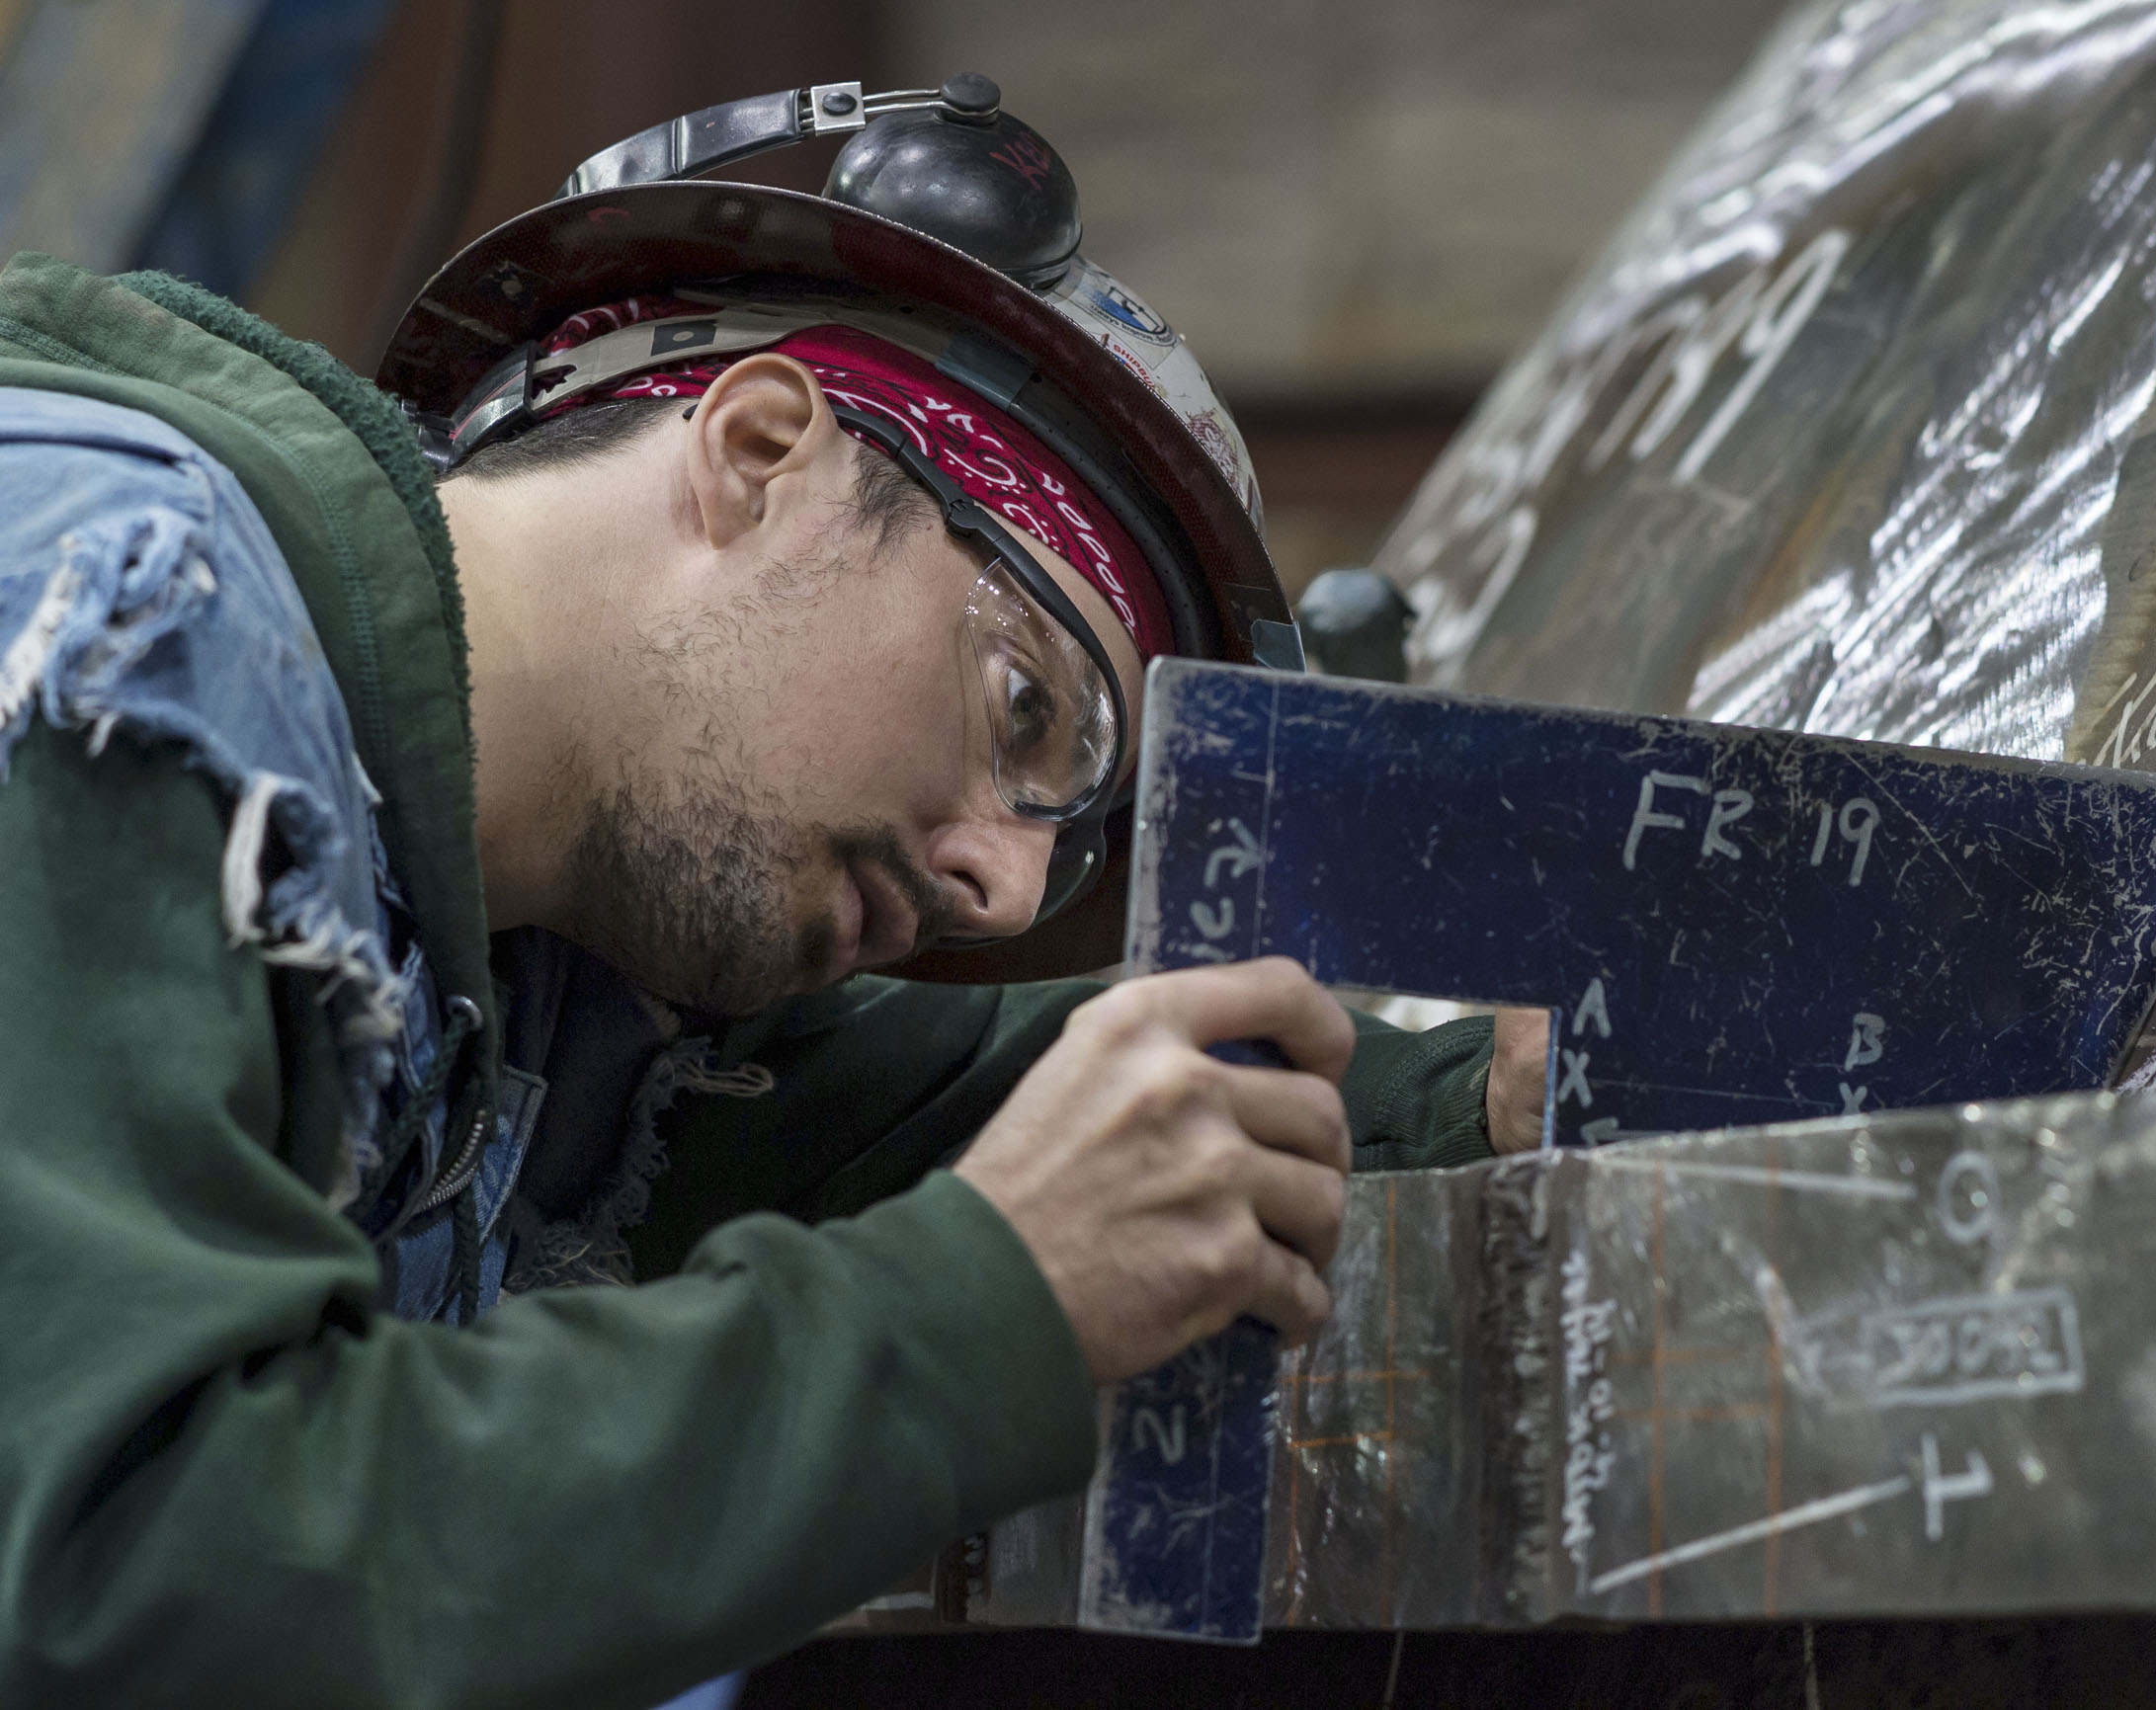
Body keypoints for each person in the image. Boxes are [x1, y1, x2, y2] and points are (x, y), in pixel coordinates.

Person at [0, 76, 1544, 1706]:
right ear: (758, 455)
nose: (1005, 888)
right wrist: (978, 1313)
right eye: (1026, 711)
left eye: (1073, 832)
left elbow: (939, 1106)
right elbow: (121, 1567)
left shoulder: (512, 994)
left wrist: (1483, 1110)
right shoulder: (111, 653)